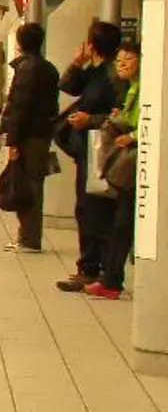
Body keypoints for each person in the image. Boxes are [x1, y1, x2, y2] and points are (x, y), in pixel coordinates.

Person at [55, 20, 122, 292]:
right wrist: (76, 63)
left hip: (101, 151)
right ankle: (91, 266)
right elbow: (67, 85)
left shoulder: (113, 76)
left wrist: (90, 119)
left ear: (92, 44)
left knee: (93, 209)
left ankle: (93, 268)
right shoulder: (95, 72)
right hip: (87, 149)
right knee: (87, 208)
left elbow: (121, 114)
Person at [85, 42, 140, 299]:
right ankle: (111, 279)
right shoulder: (131, 89)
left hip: (134, 164)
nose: (122, 64)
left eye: (128, 59)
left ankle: (112, 280)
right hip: (129, 164)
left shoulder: (143, 89)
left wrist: (132, 136)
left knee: (122, 222)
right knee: (121, 221)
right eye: (119, 60)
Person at [0, 23, 60, 254]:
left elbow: (20, 108)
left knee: (27, 185)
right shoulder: (49, 68)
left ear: (20, 43)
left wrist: (13, 141)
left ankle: (30, 238)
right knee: (33, 183)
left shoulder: (27, 69)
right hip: (41, 135)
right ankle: (27, 236)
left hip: (29, 137)